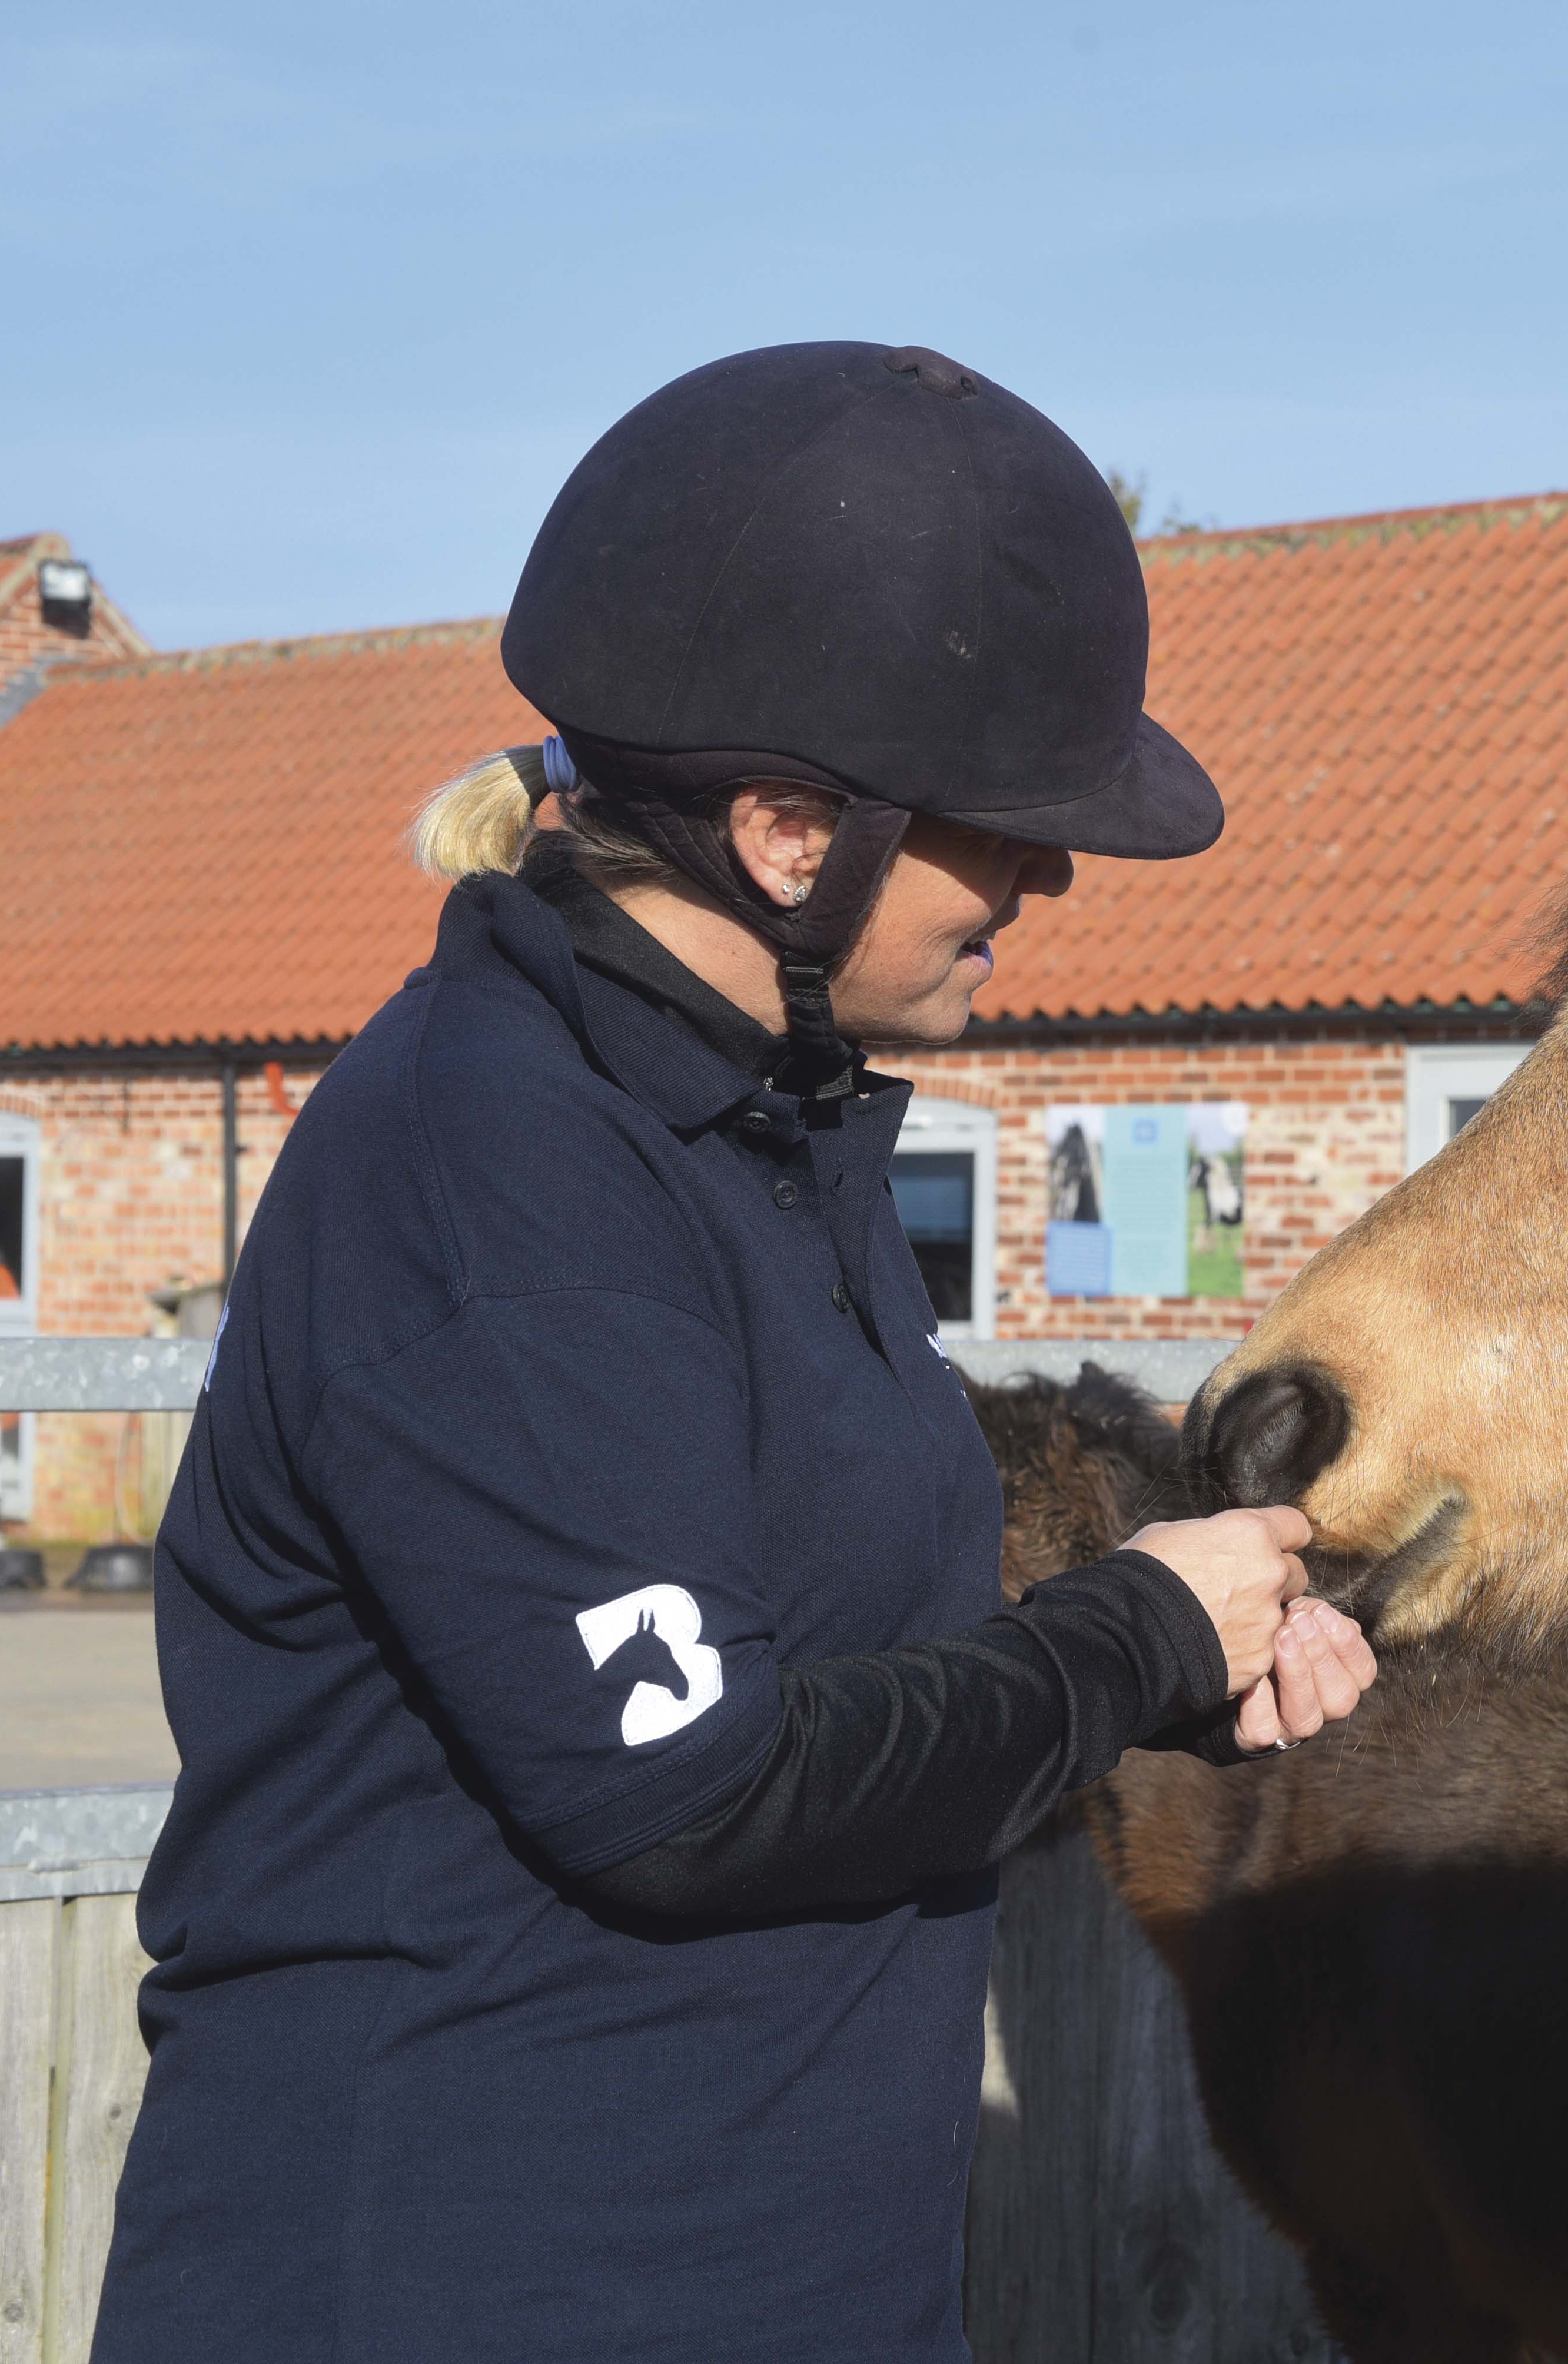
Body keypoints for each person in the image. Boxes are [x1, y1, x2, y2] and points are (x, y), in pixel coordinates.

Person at [94, 342, 1376, 2364]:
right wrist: (1127, 1636)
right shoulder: (499, 1173)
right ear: (791, 833)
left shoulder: (773, 1123)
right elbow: (686, 1794)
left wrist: (1183, 1672)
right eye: (1002, 831)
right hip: (469, 2294)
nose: (1042, 882)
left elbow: (829, 1652)